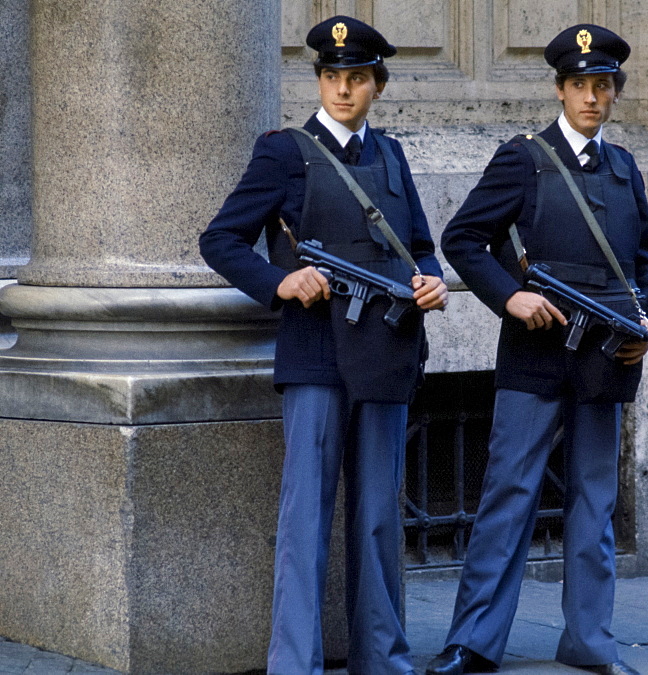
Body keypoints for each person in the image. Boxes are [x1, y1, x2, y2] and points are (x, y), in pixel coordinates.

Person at [199, 15, 447, 675]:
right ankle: (296, 663)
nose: (344, 89)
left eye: (357, 78)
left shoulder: (391, 156)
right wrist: (282, 281)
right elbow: (220, 239)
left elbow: (419, 244)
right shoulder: (284, 152)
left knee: (377, 522)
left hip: (386, 355)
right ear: (319, 80)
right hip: (315, 355)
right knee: (306, 521)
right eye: (333, 77)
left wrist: (431, 279)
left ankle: (383, 659)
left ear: (376, 85)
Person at [425, 23, 648, 675]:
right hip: (535, 353)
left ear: (613, 94)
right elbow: (465, 239)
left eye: (603, 86)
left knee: (593, 504)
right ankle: (473, 641)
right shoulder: (524, 159)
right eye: (580, 85)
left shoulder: (625, 169)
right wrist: (512, 298)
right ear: (560, 90)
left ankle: (590, 639)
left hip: (607, 355)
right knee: (509, 496)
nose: (592, 97)